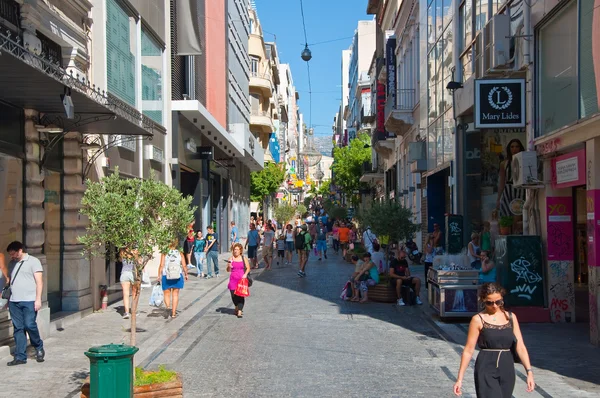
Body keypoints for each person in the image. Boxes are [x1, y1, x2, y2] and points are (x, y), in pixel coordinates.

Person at [453, 283, 535, 397]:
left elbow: (520, 346)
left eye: (498, 302)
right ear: (483, 300)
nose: (494, 306)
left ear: (502, 299)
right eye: (489, 302)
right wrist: (459, 379)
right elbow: (468, 350)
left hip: (507, 366)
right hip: (486, 366)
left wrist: (529, 372)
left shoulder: (511, 317)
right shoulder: (477, 319)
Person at [4, 241, 45, 366]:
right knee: (18, 328)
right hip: (14, 301)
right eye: (10, 255)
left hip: (29, 300)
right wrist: (7, 299)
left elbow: (39, 282)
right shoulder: (12, 264)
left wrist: (38, 299)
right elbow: (10, 282)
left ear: (20, 250)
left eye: (13, 254)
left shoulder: (34, 261)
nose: (12, 257)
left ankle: (38, 347)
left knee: (29, 324)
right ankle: (20, 356)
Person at [157, 240, 188, 318]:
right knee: (175, 294)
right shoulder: (180, 253)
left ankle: (167, 308)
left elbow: (161, 265)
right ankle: (173, 313)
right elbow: (184, 265)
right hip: (177, 275)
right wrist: (186, 274)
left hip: (166, 275)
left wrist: (159, 275)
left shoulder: (165, 252)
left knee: (166, 294)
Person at [497, 139, 526, 218]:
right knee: (507, 214)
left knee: (521, 214)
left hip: (521, 190)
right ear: (509, 149)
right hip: (508, 190)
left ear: (520, 148)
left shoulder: (524, 161)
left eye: (517, 146)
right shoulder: (504, 163)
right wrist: (498, 198)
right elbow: (502, 182)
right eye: (512, 147)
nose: (514, 149)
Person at [227, 243, 251, 318]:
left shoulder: (243, 258)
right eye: (234, 249)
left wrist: (245, 274)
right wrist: (229, 266)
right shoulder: (231, 259)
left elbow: (248, 268)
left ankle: (239, 311)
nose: (235, 251)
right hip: (233, 279)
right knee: (233, 295)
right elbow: (227, 270)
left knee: (240, 295)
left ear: (240, 251)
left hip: (241, 280)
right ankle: (236, 306)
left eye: (237, 249)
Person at [119, 248, 139, 319]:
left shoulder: (122, 252)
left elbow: (120, 260)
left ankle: (126, 312)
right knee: (134, 293)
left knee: (125, 294)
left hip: (124, 273)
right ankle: (134, 311)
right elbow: (138, 263)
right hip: (132, 273)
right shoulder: (135, 252)